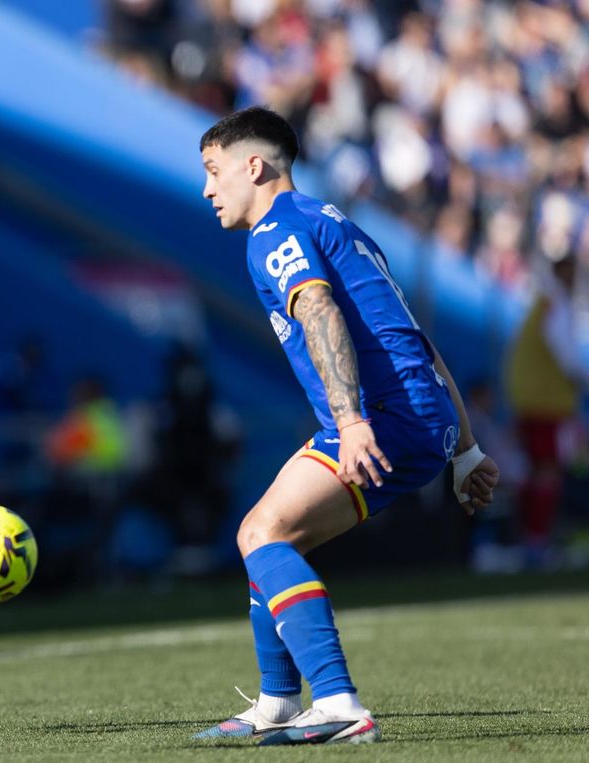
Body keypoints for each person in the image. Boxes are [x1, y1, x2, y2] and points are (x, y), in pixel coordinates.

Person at [192, 106, 498, 745]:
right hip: (418, 412)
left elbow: (320, 309)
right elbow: (417, 340)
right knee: (267, 534)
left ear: (255, 165)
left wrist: (352, 419)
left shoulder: (275, 230)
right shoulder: (333, 222)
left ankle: (337, 704)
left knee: (262, 534)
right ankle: (278, 701)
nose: (207, 189)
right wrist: (465, 449)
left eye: (214, 171)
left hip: (381, 414)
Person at [503, 247, 586, 567]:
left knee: (536, 471)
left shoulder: (540, 303)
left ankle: (531, 538)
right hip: (546, 403)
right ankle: (535, 542)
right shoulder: (556, 305)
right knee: (547, 472)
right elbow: (567, 358)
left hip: (532, 400)